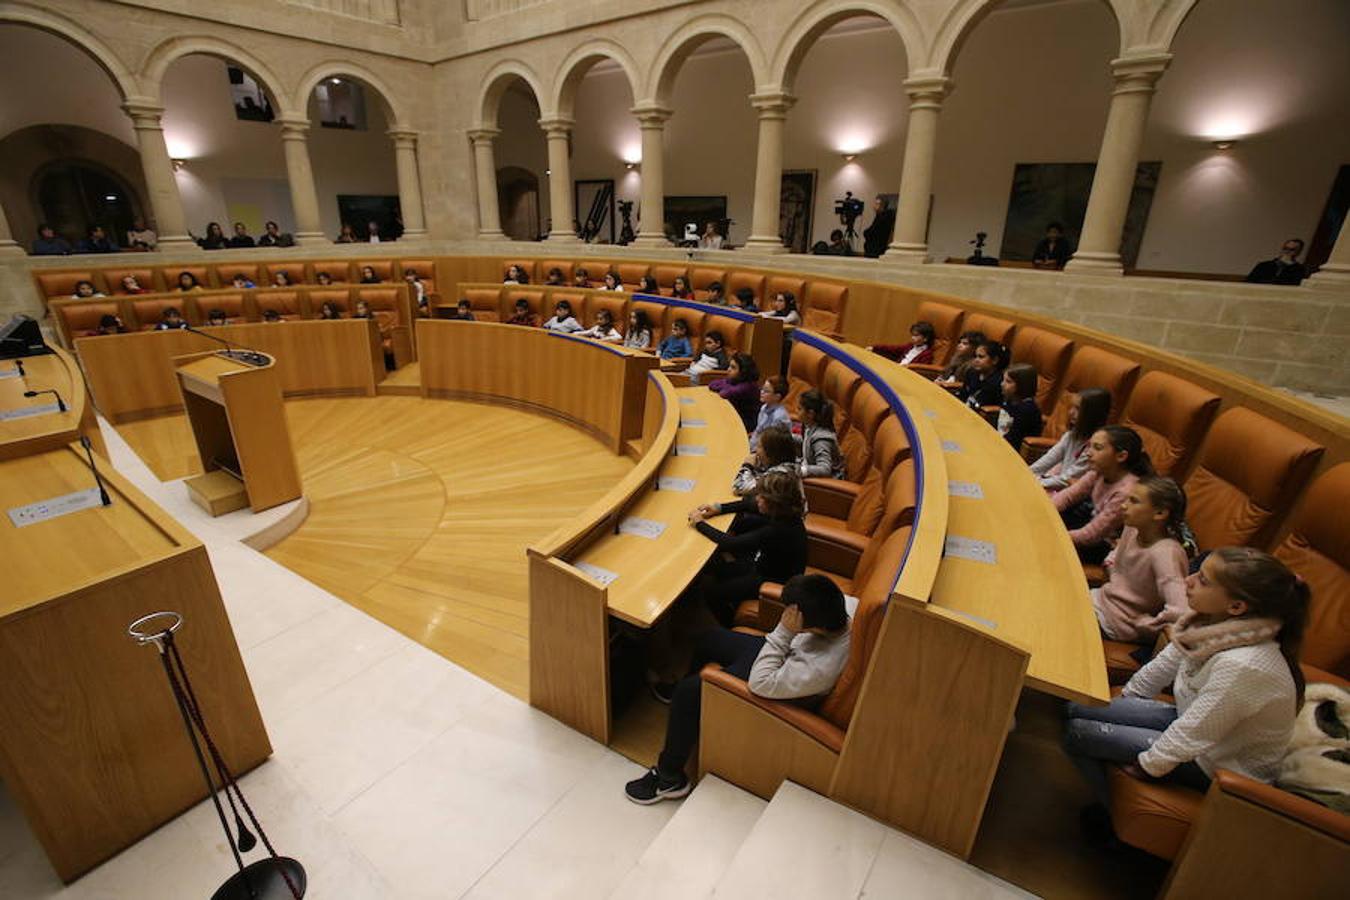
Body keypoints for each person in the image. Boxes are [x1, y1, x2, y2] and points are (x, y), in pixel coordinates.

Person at [1063, 547, 1308, 838]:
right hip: (1193, 724)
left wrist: (1148, 765)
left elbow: (1195, 733)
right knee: (1078, 704)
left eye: (1203, 580)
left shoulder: (1246, 665)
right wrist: (1126, 702)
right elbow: (1163, 666)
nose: (1189, 580)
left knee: (1079, 733)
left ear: (1237, 607)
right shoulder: (1209, 624)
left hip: (1217, 763)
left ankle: (1115, 825)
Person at [625, 573, 850, 805]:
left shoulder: (820, 668)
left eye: (791, 613)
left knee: (688, 692)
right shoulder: (841, 613)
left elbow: (760, 683)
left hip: (776, 678)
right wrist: (789, 634)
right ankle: (692, 712)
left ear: (813, 625)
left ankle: (669, 777)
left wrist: (784, 630)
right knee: (709, 639)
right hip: (786, 656)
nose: (786, 616)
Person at [686, 470, 808, 628]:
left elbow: (730, 543)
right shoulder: (786, 513)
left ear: (773, 503)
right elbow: (748, 504)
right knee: (716, 568)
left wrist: (699, 523)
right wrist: (719, 508)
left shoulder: (777, 530)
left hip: (771, 580)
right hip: (765, 565)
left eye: (761, 497)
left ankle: (731, 626)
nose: (757, 499)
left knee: (710, 594)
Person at [1092, 477, 1191, 645]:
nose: (1124, 505)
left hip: (1116, 624)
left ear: (1159, 513)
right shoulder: (1133, 526)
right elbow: (1117, 553)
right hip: (1100, 600)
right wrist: (1110, 563)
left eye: (1134, 501)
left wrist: (1147, 625)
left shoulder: (1166, 553)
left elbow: (1180, 610)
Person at [1052, 425, 1153, 564]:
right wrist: (1045, 511)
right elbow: (1068, 497)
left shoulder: (1126, 492)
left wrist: (1054, 535)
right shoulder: (1098, 471)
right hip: (1090, 522)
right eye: (1089, 446)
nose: (1088, 453)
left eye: (1097, 448)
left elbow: (1092, 535)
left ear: (1121, 456)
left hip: (1104, 544)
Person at [1030, 388, 1111, 490]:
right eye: (1072, 407)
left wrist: (1036, 482)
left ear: (1092, 415)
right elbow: (1047, 461)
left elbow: (1068, 479)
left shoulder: (1094, 448)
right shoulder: (1071, 435)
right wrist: (1026, 473)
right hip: (1053, 484)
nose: (1070, 412)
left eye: (1078, 409)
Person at [731, 423, 797, 496]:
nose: (756, 450)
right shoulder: (784, 467)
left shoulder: (778, 476)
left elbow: (739, 487)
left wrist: (747, 465)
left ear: (770, 452)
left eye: (759, 446)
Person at [797, 390, 845, 479]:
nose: (797, 412)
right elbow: (807, 443)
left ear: (810, 414)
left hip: (824, 487)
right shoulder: (809, 426)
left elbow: (825, 469)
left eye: (799, 409)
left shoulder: (821, 438)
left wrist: (800, 470)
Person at [708, 353, 761, 432]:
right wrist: (726, 383)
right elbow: (712, 384)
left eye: (733, 367)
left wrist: (725, 384)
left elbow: (725, 393)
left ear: (743, 371)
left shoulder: (749, 386)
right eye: (729, 366)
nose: (728, 369)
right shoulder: (735, 380)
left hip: (744, 423)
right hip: (733, 415)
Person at [997, 363, 1043, 452]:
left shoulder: (1027, 410)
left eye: (1008, 381)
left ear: (1023, 385)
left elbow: (1014, 439)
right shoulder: (1009, 399)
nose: (1002, 384)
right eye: (1003, 380)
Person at [957, 340, 1009, 409]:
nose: (976, 360)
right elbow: (962, 394)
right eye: (975, 356)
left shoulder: (999, 382)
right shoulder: (972, 373)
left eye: (981, 357)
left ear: (994, 360)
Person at [749, 375, 791, 451]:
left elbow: (773, 445)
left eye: (766, 391)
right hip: (755, 446)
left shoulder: (779, 417)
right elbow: (758, 431)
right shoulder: (764, 408)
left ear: (777, 397)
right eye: (762, 389)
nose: (762, 392)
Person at [871, 321, 935, 365]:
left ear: (925, 338)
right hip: (897, 368)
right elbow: (893, 348)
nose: (912, 337)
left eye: (916, 335)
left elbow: (919, 370)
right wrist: (874, 347)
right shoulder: (910, 346)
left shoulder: (927, 354)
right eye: (912, 335)